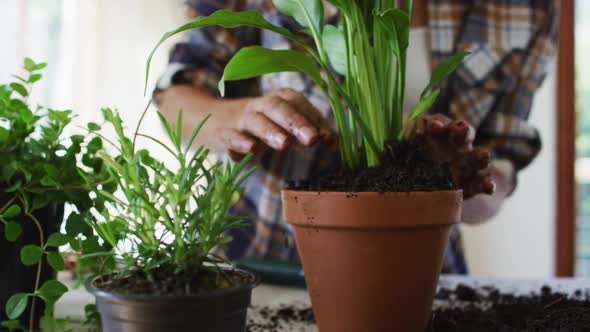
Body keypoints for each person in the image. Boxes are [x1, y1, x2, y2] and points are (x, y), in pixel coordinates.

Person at [154, 0, 558, 274]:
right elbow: (176, 97)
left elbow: (499, 164)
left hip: (421, 271)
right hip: (261, 260)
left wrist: (462, 179)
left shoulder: (528, 8)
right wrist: (240, 115)